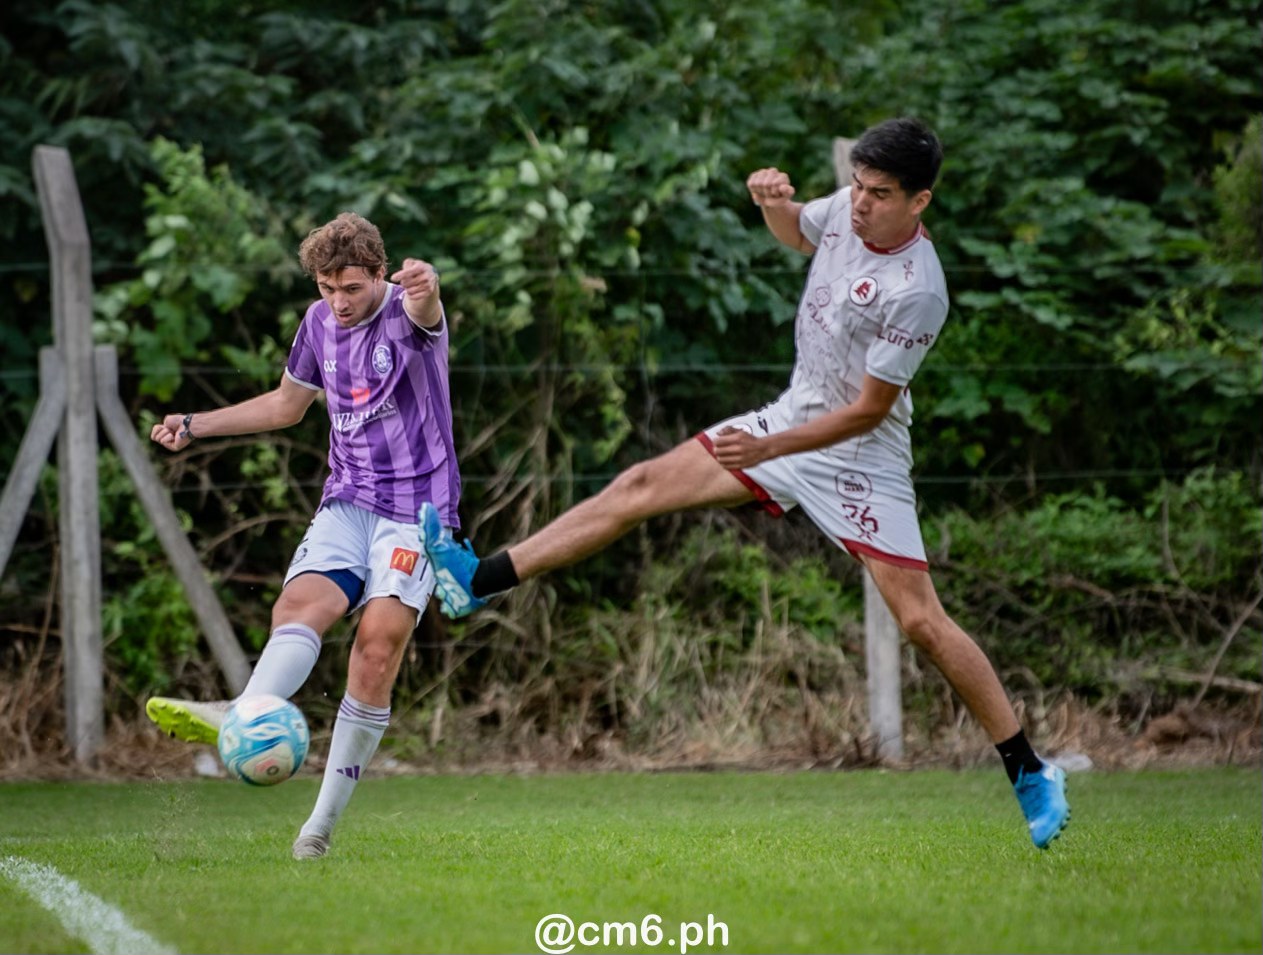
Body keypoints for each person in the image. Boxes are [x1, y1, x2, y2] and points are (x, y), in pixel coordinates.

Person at [421, 118, 1070, 849]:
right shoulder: (846, 210)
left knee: (920, 621)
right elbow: (798, 232)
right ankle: (477, 577)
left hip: (860, 457)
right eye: (856, 185)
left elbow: (866, 412)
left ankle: (1028, 770)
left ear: (919, 202)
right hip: (789, 421)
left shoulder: (918, 289)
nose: (859, 204)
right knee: (637, 485)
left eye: (878, 194)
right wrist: (770, 202)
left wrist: (766, 444)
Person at [146, 211, 459, 860]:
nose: (339, 303)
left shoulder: (409, 312)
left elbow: (428, 310)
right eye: (327, 288)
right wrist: (195, 423)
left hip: (416, 511)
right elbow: (286, 406)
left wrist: (426, 289)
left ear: (379, 273)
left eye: (351, 288)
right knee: (298, 607)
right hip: (347, 501)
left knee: (376, 649)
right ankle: (246, 709)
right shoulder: (318, 323)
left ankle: (315, 829)